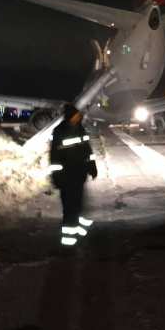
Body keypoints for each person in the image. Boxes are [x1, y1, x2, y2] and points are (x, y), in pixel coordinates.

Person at [50, 103, 98, 247]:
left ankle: (77, 229)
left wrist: (92, 167)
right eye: (76, 116)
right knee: (69, 206)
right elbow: (54, 157)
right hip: (66, 176)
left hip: (79, 174)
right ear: (70, 116)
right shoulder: (59, 131)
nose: (79, 118)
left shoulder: (79, 128)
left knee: (77, 203)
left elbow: (87, 151)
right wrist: (56, 177)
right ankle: (68, 241)